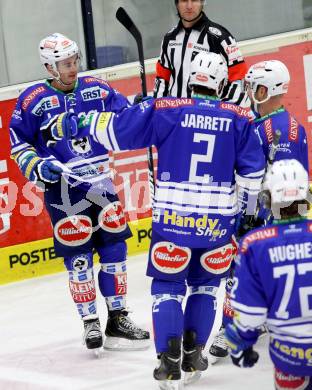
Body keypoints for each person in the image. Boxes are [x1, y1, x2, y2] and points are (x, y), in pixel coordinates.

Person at [46, 52, 265, 389]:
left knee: (168, 289)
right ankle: (193, 353)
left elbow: (115, 131)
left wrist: (81, 123)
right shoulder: (240, 118)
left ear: (191, 79)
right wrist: (247, 215)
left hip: (173, 222)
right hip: (217, 225)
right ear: (222, 83)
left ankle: (169, 361)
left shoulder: (167, 109)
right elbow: (253, 175)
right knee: (206, 287)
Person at [9, 32, 149, 353]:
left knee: (115, 252)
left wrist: (140, 109)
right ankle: (90, 323)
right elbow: (19, 142)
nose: (73, 68)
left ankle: (117, 317)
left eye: (74, 61)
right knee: (80, 260)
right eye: (65, 64)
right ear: (50, 67)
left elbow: (123, 115)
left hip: (102, 184)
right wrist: (39, 167)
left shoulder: (97, 89)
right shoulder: (32, 100)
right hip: (64, 191)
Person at [209, 59, 310, 361]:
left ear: (273, 89)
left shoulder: (281, 130)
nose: (252, 92)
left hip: (265, 212)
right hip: (260, 209)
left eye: (257, 88)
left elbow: (283, 183)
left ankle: (230, 329)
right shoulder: (266, 122)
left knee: (238, 267)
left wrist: (254, 216)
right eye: (251, 87)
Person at [225, 159, 312, 390]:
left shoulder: (254, 244)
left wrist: (241, 345)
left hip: (291, 360)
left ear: (269, 197)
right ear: (306, 195)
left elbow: (250, 314)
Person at [154, 0, 248, 105]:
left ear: (202, 2)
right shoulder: (169, 38)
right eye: (184, 0)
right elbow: (162, 80)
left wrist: (227, 112)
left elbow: (240, 78)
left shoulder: (220, 37)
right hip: (176, 116)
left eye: (194, 0)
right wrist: (155, 107)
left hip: (207, 116)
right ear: (177, 4)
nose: (189, 6)